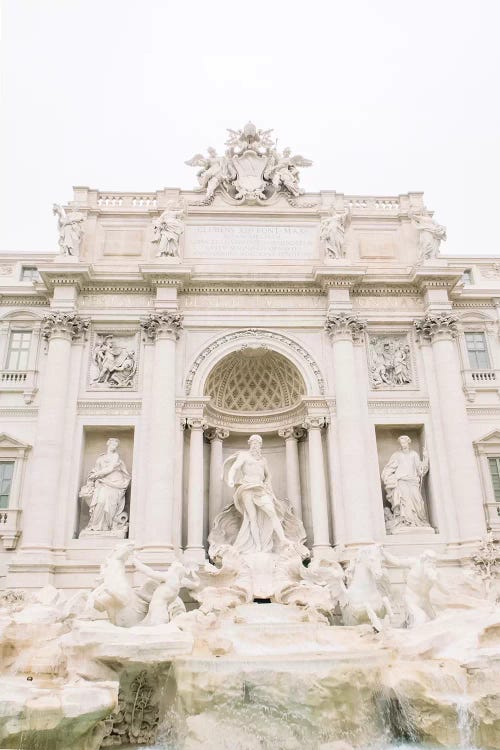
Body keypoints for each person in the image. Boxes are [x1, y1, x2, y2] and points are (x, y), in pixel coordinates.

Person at [223, 434, 289, 553]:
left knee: (272, 512)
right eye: (253, 443)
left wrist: (268, 483)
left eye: (258, 443)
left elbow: (268, 475)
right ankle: (258, 546)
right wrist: (231, 479)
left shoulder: (263, 460)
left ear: (260, 446)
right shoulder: (244, 456)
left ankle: (283, 539)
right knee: (252, 518)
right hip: (247, 488)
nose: (255, 445)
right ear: (250, 444)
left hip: (260, 488)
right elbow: (234, 468)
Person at [80, 438, 131, 533]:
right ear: (108, 444)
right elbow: (95, 470)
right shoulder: (101, 458)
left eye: (116, 445)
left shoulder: (116, 457)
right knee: (101, 502)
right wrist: (92, 477)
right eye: (112, 444)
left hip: (115, 483)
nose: (114, 447)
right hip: (102, 483)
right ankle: (95, 526)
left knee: (111, 505)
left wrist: (97, 475)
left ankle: (107, 527)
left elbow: (110, 469)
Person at [381, 435, 430, 529]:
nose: (403, 445)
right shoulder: (397, 455)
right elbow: (389, 468)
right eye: (401, 443)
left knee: (417, 500)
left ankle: (419, 521)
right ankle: (406, 522)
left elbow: (420, 470)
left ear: (408, 442)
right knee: (405, 501)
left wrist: (425, 458)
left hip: (413, 481)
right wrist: (386, 476)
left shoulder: (414, 454)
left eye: (404, 442)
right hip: (401, 481)